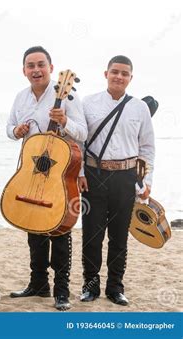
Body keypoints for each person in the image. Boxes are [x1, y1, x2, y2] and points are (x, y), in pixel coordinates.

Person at [6, 46, 87, 311]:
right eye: (31, 66)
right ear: (24, 71)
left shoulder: (69, 98)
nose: (36, 70)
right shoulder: (20, 97)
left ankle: (61, 291)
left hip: (59, 176)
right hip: (32, 175)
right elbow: (9, 129)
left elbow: (83, 134)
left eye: (41, 64)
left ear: (51, 69)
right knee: (33, 230)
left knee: (60, 232)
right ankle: (38, 284)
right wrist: (16, 131)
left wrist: (64, 121)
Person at [78, 55, 155, 306]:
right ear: (106, 74)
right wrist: (79, 173)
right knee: (92, 235)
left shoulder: (139, 108)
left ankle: (115, 288)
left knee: (119, 237)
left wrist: (145, 181)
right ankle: (90, 287)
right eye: (115, 72)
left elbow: (147, 147)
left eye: (124, 73)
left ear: (130, 78)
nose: (119, 76)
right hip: (93, 176)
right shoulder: (87, 103)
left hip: (126, 177)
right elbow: (79, 143)